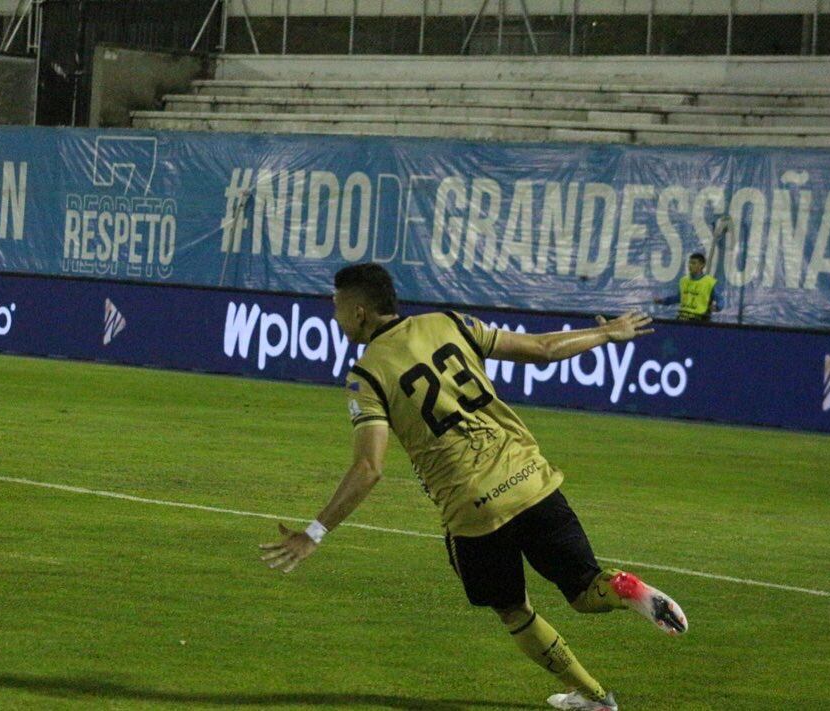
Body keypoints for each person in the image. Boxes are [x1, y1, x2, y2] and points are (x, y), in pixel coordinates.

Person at [260, 263, 687, 711]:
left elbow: (369, 467)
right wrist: (608, 333)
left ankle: (597, 699)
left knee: (514, 610)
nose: (336, 318)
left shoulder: (366, 376)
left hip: (473, 508)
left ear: (361, 312)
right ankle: (626, 588)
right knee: (583, 589)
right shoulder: (448, 323)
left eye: (338, 307)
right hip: (532, 480)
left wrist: (314, 533)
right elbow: (542, 349)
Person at [654, 252, 722, 321]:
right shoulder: (683, 280)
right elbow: (679, 297)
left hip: (700, 320)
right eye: (689, 263)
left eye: (693, 263)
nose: (690, 265)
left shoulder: (710, 282)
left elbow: (720, 299)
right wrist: (663, 301)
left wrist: (717, 307)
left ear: (702, 265)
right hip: (682, 318)